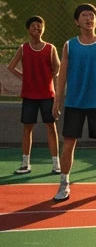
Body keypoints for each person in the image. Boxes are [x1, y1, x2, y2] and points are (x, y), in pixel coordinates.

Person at [52, 5, 96, 204]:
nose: (89, 18)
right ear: (77, 21)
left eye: (92, 15)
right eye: (84, 15)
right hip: (75, 102)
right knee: (69, 143)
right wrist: (57, 100)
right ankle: (64, 184)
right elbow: (62, 75)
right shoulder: (69, 45)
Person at [7, 15, 61, 175]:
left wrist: (56, 94)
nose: (37, 28)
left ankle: (56, 164)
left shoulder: (50, 48)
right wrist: (25, 77)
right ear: (28, 30)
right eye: (33, 26)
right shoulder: (24, 48)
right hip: (29, 95)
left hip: (47, 95)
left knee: (51, 127)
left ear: (43, 29)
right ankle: (25, 164)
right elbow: (11, 66)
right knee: (27, 129)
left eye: (39, 26)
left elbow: (57, 68)